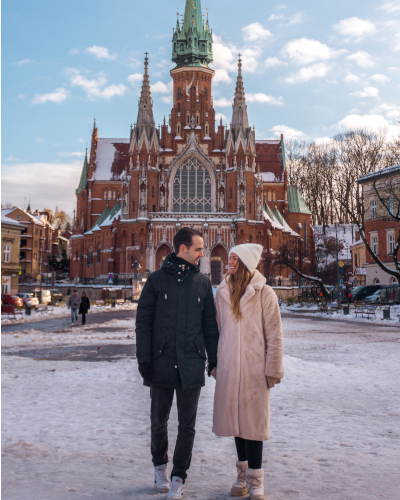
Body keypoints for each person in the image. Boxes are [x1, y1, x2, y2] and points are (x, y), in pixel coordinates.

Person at [136, 227, 219, 500]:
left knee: (187, 426)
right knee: (158, 422)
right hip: (161, 361)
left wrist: (214, 359)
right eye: (198, 249)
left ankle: (178, 476)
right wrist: (144, 360)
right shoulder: (156, 280)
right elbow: (143, 324)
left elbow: (209, 326)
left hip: (191, 362)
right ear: (182, 249)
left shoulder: (203, 283)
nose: (202, 253)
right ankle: (159, 466)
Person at [213, 244, 284, 500]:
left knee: (253, 426)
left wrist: (272, 369)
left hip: (255, 369)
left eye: (233, 259)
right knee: (236, 423)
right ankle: (241, 476)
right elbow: (218, 331)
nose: (228, 262)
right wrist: (217, 364)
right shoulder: (222, 292)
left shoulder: (265, 293)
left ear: (244, 262)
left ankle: (256, 480)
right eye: (228, 258)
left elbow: (274, 335)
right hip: (231, 367)